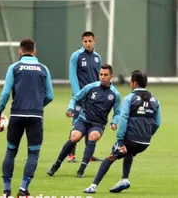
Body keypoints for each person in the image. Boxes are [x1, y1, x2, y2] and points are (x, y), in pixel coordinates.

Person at [83, 70, 161, 194]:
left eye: (131, 82)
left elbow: (123, 118)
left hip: (131, 140)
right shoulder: (155, 100)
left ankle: (93, 186)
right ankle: (124, 179)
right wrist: (147, 135)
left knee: (110, 157)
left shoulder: (130, 98)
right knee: (128, 153)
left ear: (134, 83)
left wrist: (120, 140)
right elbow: (157, 123)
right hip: (145, 143)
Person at [0, 38, 54, 197]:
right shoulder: (44, 69)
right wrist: (38, 106)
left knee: (11, 151)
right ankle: (23, 188)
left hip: (16, 115)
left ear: (20, 51)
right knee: (33, 153)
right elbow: (50, 95)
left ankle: (6, 190)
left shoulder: (14, 68)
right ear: (35, 51)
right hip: (35, 116)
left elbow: (6, 93)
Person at [47, 64, 121, 178]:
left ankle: (81, 170)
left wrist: (114, 122)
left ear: (111, 76)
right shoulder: (90, 87)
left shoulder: (115, 94)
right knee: (74, 137)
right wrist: (70, 108)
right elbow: (75, 98)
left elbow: (117, 113)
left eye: (105, 75)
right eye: (101, 74)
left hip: (98, 124)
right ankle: (55, 165)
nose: (102, 77)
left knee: (93, 136)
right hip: (83, 120)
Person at [68, 31, 103, 162]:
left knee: (92, 124)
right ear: (82, 42)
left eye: (90, 41)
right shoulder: (76, 56)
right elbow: (72, 76)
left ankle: (88, 155)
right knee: (77, 124)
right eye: (85, 41)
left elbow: (100, 77)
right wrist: (78, 95)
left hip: (93, 98)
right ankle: (71, 154)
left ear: (94, 41)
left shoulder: (97, 58)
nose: (88, 43)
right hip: (80, 98)